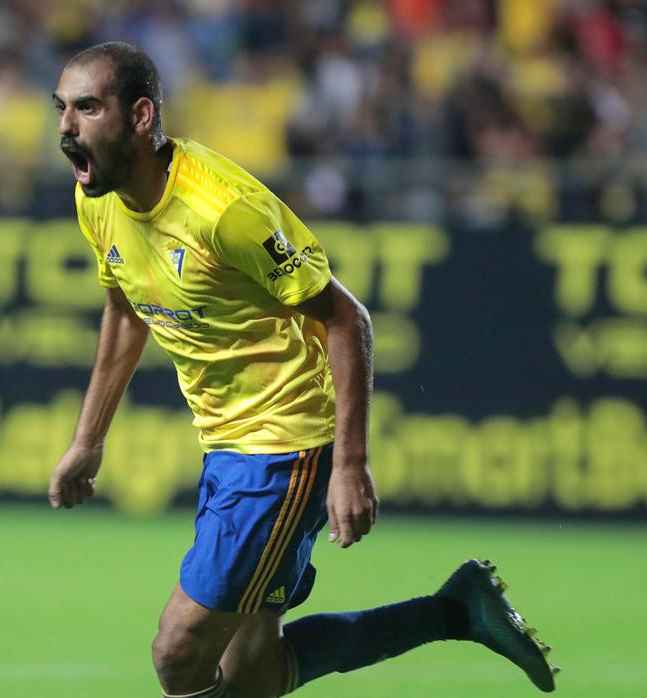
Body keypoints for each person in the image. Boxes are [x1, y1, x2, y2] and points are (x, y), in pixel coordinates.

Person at [47, 42, 558, 697]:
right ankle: (457, 609)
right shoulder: (96, 196)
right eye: (60, 107)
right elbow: (125, 308)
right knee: (256, 674)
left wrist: (348, 465)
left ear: (141, 115)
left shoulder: (225, 211)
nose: (66, 125)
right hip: (226, 446)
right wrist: (88, 440)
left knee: (177, 652)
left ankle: (453, 607)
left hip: (283, 448)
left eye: (87, 107)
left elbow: (348, 320)